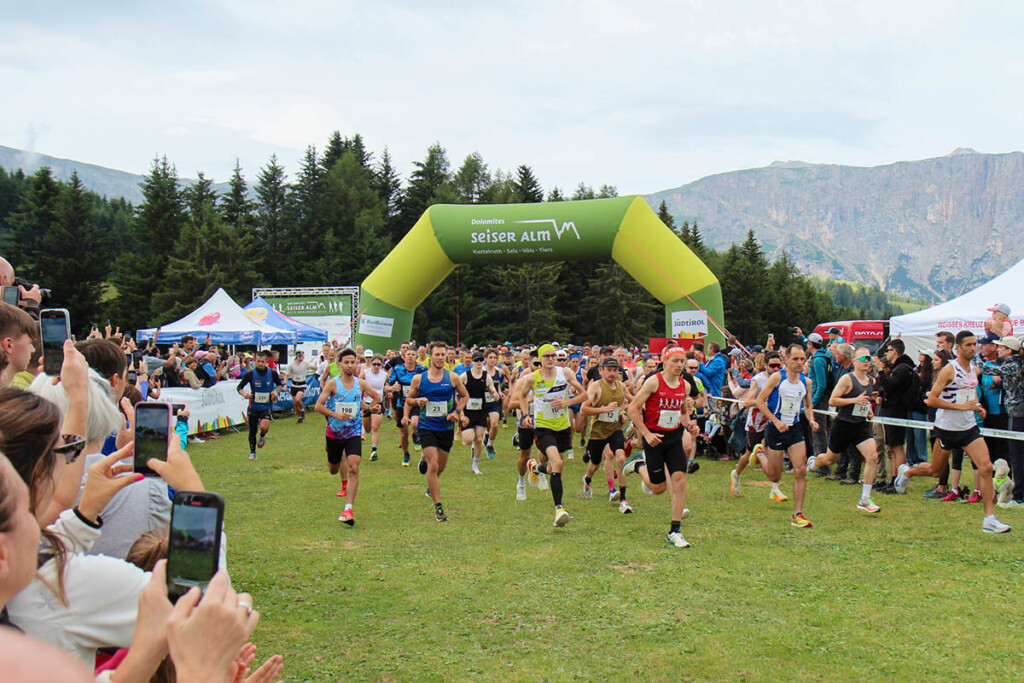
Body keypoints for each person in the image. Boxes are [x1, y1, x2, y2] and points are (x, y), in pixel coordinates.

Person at [894, 331, 1011, 533]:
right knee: (935, 471)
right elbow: (931, 399)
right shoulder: (949, 370)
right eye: (968, 345)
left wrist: (977, 407)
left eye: (974, 344)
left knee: (985, 467)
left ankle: (989, 519)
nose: (973, 348)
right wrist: (960, 407)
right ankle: (907, 472)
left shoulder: (973, 370)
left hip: (968, 428)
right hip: (946, 429)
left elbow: (970, 392)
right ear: (957, 348)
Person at [621, 346, 698, 547]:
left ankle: (675, 530)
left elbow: (682, 413)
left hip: (674, 438)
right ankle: (638, 465)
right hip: (654, 438)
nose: (679, 365)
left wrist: (690, 425)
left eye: (682, 361)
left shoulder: (685, 386)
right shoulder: (653, 382)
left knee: (679, 479)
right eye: (675, 361)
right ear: (665, 362)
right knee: (658, 488)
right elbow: (633, 408)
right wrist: (646, 434)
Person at [516, 343, 586, 527]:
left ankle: (536, 468)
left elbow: (584, 395)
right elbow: (522, 397)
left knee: (554, 466)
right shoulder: (532, 378)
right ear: (540, 359)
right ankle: (559, 509)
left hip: (563, 427)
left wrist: (566, 403)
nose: (551, 359)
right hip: (543, 427)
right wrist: (525, 415)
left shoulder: (566, 374)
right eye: (546, 356)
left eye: (553, 356)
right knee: (558, 463)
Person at [807, 348, 882, 514]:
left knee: (872, 456)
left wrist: (868, 409)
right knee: (829, 460)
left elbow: (865, 401)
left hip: (860, 426)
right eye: (863, 358)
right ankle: (813, 463)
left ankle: (865, 499)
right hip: (843, 424)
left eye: (869, 358)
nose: (866, 361)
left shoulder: (871, 381)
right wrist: (855, 400)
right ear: (854, 360)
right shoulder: (847, 379)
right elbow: (833, 400)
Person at [754, 343, 819, 528]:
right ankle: (759, 453)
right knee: (775, 477)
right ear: (786, 360)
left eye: (802, 359)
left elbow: (807, 405)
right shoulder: (777, 378)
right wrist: (775, 421)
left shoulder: (806, 382)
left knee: (800, 469)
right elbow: (760, 401)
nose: (799, 363)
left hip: (795, 429)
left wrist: (812, 419)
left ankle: (797, 514)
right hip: (776, 429)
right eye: (795, 359)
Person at [315, 348, 382, 525]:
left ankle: (348, 509)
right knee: (334, 469)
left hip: (353, 432)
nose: (350, 365)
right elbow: (318, 406)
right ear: (339, 364)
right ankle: (330, 452)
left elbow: (376, 397)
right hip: (334, 434)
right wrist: (335, 415)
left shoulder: (360, 383)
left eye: (353, 362)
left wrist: (368, 408)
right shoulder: (333, 384)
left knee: (354, 467)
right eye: (347, 362)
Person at [404, 342, 469, 522]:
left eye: (443, 355)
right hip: (427, 427)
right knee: (433, 465)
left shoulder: (453, 378)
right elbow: (408, 399)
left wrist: (456, 412)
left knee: (440, 467)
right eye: (437, 355)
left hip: (446, 428)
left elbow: (465, 396)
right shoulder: (419, 379)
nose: (441, 358)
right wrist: (417, 402)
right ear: (430, 357)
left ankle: (429, 479)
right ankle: (438, 506)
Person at [729, 352, 788, 502]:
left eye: (778, 366)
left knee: (774, 453)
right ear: (766, 365)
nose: (776, 369)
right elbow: (748, 402)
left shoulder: (783, 378)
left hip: (773, 420)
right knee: (749, 454)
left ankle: (775, 488)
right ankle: (736, 473)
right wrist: (762, 402)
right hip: (756, 422)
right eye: (773, 366)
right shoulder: (758, 379)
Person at [580, 357, 632, 513]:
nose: (612, 373)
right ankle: (587, 480)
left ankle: (623, 499)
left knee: (621, 458)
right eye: (609, 370)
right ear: (601, 371)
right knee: (594, 465)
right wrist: (604, 409)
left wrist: (622, 413)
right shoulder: (595, 387)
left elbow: (624, 402)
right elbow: (584, 409)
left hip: (615, 428)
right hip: (598, 432)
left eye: (615, 370)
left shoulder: (621, 386)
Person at [236, 350, 284, 461]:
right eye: (258, 361)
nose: (260, 364)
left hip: (266, 406)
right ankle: (252, 453)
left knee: (264, 426)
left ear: (266, 362)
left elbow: (279, 385)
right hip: (253, 406)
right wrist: (245, 394)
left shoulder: (271, 373)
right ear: (255, 361)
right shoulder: (250, 374)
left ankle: (262, 435)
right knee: (252, 430)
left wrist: (276, 393)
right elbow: (239, 387)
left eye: (262, 361)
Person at [460, 352, 501, 475]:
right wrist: (461, 414)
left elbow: (492, 390)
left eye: (480, 360)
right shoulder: (464, 376)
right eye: (476, 360)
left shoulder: (486, 376)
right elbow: (458, 395)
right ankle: (470, 444)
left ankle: (475, 465)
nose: (478, 363)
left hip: (481, 412)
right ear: (472, 361)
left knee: (479, 439)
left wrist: (495, 395)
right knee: (468, 439)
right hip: (468, 413)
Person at [387, 347, 426, 466]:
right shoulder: (397, 370)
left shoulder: (422, 370)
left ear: (416, 357)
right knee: (404, 433)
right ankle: (406, 453)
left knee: (415, 422)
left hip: (416, 402)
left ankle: (415, 434)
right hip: (401, 403)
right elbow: (387, 385)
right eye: (408, 354)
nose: (410, 357)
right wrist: (391, 388)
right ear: (404, 357)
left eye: (413, 354)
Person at [360, 353, 388, 460]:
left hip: (378, 403)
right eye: (374, 364)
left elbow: (387, 386)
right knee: (367, 429)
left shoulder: (384, 375)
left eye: (379, 365)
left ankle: (374, 450)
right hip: (367, 403)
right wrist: (363, 392)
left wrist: (389, 391)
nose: (376, 367)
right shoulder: (365, 373)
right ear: (371, 364)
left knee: (375, 428)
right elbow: (358, 384)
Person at [286, 350, 313, 424]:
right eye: (302, 356)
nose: (303, 357)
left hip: (302, 384)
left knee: (298, 399)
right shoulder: (291, 365)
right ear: (298, 356)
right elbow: (286, 375)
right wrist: (285, 384)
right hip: (294, 385)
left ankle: (302, 410)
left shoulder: (305, 364)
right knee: (295, 403)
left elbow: (313, 367)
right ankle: (300, 417)